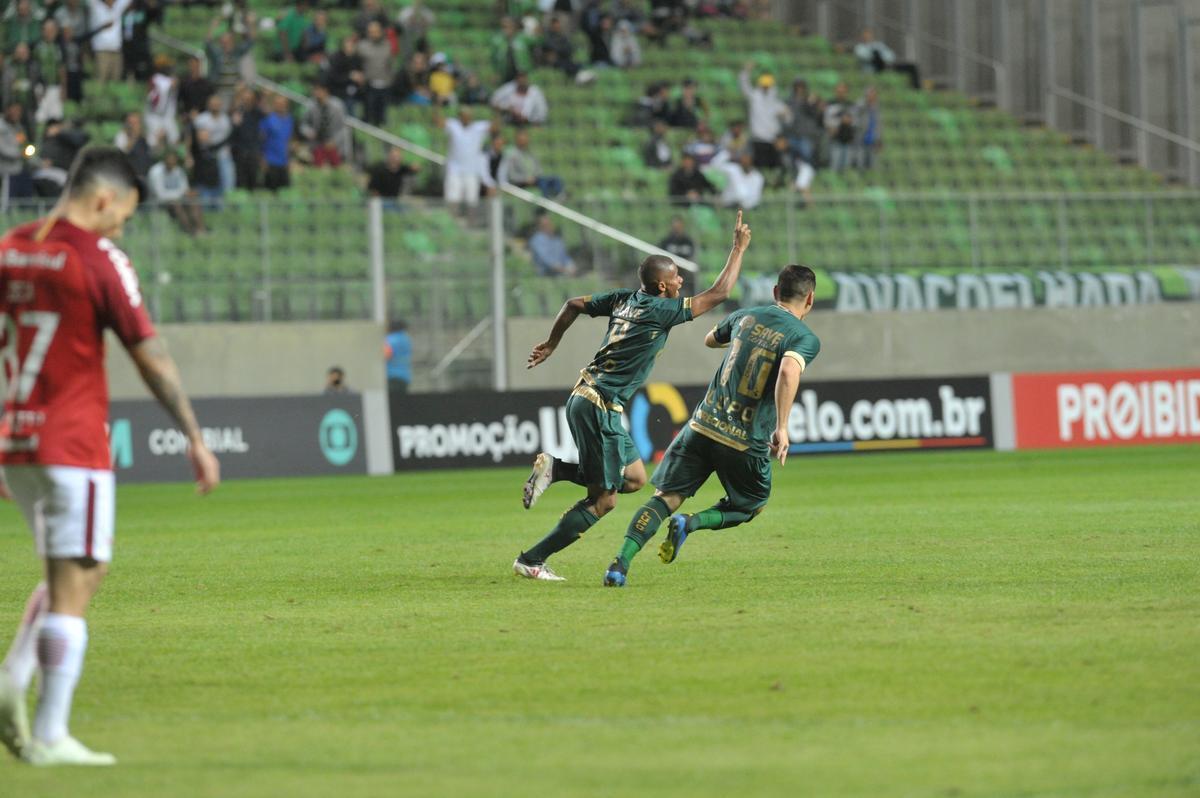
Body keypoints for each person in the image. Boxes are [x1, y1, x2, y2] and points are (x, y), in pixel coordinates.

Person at [0, 146, 219, 766]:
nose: (121, 228)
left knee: (67, 573)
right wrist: (195, 437)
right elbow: (148, 354)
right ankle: (48, 732)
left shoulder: (10, 245)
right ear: (102, 200)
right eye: (122, 216)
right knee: (78, 583)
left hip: (16, 444)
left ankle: (15, 677)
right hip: (72, 445)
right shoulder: (99, 258)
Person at [513, 210, 752, 581]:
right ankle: (532, 559)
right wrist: (738, 249)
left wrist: (551, 343)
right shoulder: (661, 310)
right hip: (598, 406)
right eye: (675, 277)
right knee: (603, 500)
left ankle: (557, 469)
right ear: (661, 287)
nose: (681, 281)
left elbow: (574, 303)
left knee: (636, 479)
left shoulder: (624, 299)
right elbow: (719, 294)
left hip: (590, 400)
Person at [602, 264, 819, 586]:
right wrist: (782, 427)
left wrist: (745, 339)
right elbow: (789, 371)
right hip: (744, 439)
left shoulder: (747, 315)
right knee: (750, 505)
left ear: (775, 292)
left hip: (702, 425)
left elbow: (710, 340)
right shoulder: (803, 337)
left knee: (665, 497)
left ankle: (619, 564)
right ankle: (690, 523)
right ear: (810, 299)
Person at [436, 106, 495, 212]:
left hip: (471, 170)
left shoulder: (479, 127)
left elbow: (495, 128)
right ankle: (452, 220)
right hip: (454, 169)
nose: (466, 118)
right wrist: (438, 105)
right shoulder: (453, 125)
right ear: (460, 116)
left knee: (472, 200)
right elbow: (439, 123)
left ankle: (471, 223)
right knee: (452, 198)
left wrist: (498, 112)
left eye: (468, 115)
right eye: (463, 115)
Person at [738, 62, 790, 170]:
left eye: (768, 85)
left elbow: (789, 119)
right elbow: (744, 85)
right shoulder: (755, 97)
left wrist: (785, 115)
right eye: (764, 85)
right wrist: (746, 71)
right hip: (759, 140)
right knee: (760, 167)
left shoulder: (776, 102)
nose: (766, 87)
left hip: (773, 141)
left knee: (775, 167)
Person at [148, 148, 205, 234]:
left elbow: (185, 189)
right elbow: (160, 194)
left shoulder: (178, 171)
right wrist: (181, 194)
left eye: (174, 160)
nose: (172, 162)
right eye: (169, 160)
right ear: (164, 160)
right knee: (176, 204)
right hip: (158, 202)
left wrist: (188, 193)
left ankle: (200, 229)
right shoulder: (156, 172)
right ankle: (189, 230)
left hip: (177, 199)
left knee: (193, 201)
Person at [497, 128, 563, 198]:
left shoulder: (531, 153)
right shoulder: (511, 154)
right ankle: (546, 199)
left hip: (534, 179)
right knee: (543, 183)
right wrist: (525, 179)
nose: (523, 142)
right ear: (517, 140)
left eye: (525, 139)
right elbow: (511, 175)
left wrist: (534, 177)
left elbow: (538, 169)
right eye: (521, 140)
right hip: (520, 182)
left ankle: (558, 196)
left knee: (555, 179)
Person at [298, 81, 348, 167]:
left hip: (333, 143)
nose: (316, 93)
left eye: (318, 90)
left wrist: (334, 142)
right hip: (317, 142)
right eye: (315, 90)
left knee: (336, 167)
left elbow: (342, 127)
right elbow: (303, 124)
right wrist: (308, 132)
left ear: (325, 91)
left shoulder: (337, 105)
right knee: (318, 166)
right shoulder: (310, 105)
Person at [192, 93, 234, 195]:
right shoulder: (202, 119)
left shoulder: (225, 119)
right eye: (213, 104)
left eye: (217, 104)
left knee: (227, 181)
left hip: (224, 155)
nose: (215, 106)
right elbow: (202, 139)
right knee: (208, 185)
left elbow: (228, 137)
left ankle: (225, 205)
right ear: (208, 105)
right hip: (207, 156)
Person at [854, 28, 920, 90]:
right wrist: (877, 54)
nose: (867, 37)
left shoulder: (878, 44)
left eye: (869, 35)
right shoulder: (859, 47)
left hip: (886, 66)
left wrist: (880, 55)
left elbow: (891, 56)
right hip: (872, 70)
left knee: (911, 67)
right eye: (866, 35)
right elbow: (866, 57)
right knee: (875, 54)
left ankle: (917, 89)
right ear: (862, 37)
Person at [356, 20, 392, 126]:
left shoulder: (387, 45)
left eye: (376, 31)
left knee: (382, 118)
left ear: (380, 32)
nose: (373, 34)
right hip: (368, 85)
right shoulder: (362, 46)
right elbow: (357, 64)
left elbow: (389, 64)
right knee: (367, 115)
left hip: (384, 85)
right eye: (371, 32)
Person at [88, 0, 133, 83]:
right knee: (100, 81)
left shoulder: (117, 7)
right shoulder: (97, 6)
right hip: (101, 51)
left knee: (115, 81)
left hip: (116, 50)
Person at [229, 87, 262, 190]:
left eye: (250, 98)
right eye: (245, 98)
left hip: (253, 151)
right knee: (239, 182)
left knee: (253, 181)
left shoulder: (258, 113)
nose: (247, 100)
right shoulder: (237, 113)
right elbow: (232, 131)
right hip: (239, 152)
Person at [259, 94, 293, 192]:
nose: (280, 106)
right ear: (274, 105)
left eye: (283, 104)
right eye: (278, 104)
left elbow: (289, 141)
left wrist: (290, 159)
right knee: (271, 191)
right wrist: (262, 158)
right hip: (270, 161)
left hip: (284, 162)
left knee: (285, 191)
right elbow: (261, 139)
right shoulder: (268, 120)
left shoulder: (290, 120)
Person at [144, 56, 180, 148]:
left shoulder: (166, 79)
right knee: (154, 142)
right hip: (154, 115)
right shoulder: (155, 79)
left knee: (174, 140)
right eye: (166, 66)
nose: (168, 68)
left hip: (166, 116)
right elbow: (154, 101)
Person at [113, 112, 153, 178]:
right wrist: (134, 136)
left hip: (145, 172)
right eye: (131, 123)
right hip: (128, 173)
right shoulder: (121, 135)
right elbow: (123, 151)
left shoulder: (145, 135)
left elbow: (155, 149)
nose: (133, 125)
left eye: (136, 123)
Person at [384, 320, 411, 394]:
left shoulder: (390, 339)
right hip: (404, 376)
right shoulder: (406, 339)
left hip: (392, 375)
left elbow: (387, 354)